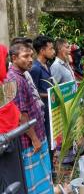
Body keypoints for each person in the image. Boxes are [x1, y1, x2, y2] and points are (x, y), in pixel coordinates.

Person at [7, 41, 54, 194]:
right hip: (29, 142)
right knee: (35, 181)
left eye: (31, 56)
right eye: (25, 56)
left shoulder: (21, 76)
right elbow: (21, 115)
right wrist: (34, 139)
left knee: (42, 176)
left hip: (37, 135)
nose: (29, 60)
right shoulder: (15, 80)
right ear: (14, 58)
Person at [0, 44, 28, 194]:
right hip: (5, 144)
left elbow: (11, 110)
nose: (7, 63)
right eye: (4, 58)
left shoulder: (2, 84)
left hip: (11, 139)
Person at [30, 35, 55, 170]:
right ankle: (49, 169)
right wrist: (50, 95)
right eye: (50, 49)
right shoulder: (35, 68)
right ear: (42, 50)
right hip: (43, 110)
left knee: (52, 138)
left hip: (51, 108)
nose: (53, 51)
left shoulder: (47, 65)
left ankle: (51, 167)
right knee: (47, 137)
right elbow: (33, 91)